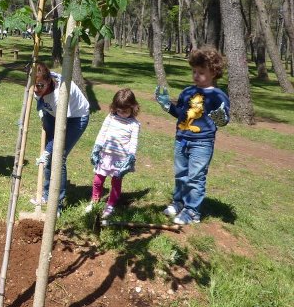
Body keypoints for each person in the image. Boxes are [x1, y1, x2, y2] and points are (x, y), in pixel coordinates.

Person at [155, 46, 230, 225]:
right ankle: (179, 202)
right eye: (194, 71)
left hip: (202, 143)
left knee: (196, 176)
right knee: (181, 173)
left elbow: (223, 120)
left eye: (201, 72)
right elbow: (180, 113)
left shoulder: (218, 95)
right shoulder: (188, 91)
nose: (196, 75)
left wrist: (221, 118)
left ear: (213, 72)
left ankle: (192, 211)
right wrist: (167, 106)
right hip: (181, 139)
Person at [30, 62, 90, 214]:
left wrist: (48, 151)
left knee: (58, 156)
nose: (36, 89)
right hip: (52, 113)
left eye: (40, 86)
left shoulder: (59, 96)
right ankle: (46, 194)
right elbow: (39, 97)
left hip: (75, 118)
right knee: (49, 155)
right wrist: (41, 110)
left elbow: (60, 132)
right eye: (34, 85)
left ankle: (57, 204)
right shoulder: (38, 86)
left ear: (49, 81)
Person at [86, 88, 141, 218]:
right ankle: (94, 200)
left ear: (133, 108)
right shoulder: (110, 117)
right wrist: (97, 147)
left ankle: (110, 205)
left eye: (125, 111)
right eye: (119, 110)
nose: (122, 113)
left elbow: (133, 142)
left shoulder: (134, 124)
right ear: (114, 107)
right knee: (98, 180)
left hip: (120, 160)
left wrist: (131, 156)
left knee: (116, 183)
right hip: (105, 156)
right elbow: (102, 133)